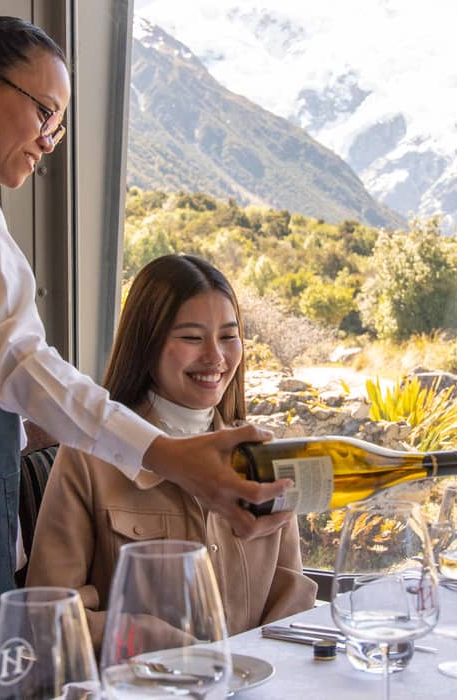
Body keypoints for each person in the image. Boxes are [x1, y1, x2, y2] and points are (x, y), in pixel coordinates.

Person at [0, 17, 290, 697]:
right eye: (46, 112)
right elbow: (21, 363)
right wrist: (164, 453)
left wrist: (53, 432)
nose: (50, 140)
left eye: (62, 124)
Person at [27, 254, 317, 650]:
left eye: (229, 337)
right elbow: (47, 616)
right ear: (146, 343)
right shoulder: (88, 459)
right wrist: (135, 636)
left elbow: (293, 600)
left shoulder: (265, 458)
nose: (215, 357)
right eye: (192, 338)